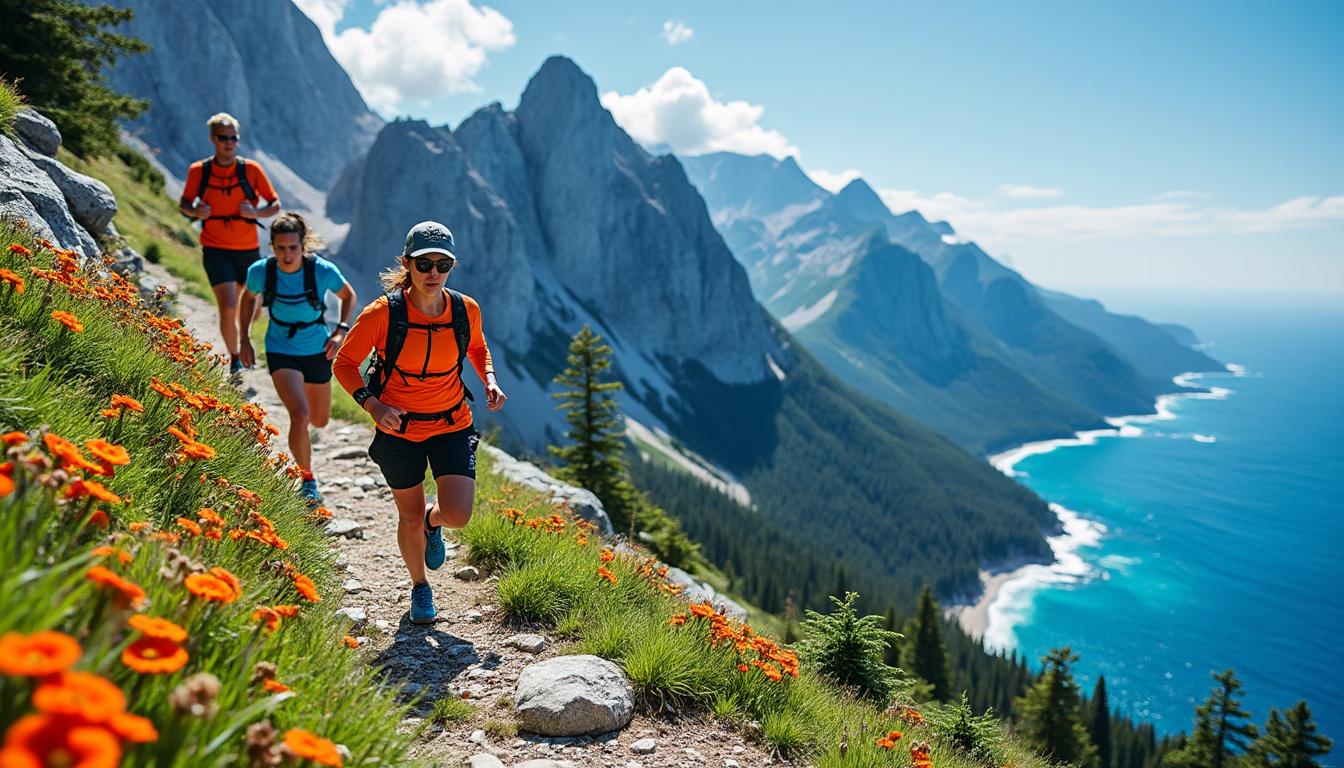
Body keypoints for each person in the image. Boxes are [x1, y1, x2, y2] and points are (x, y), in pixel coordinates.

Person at [334, 221, 506, 624]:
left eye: (441, 264)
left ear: (451, 266)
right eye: (423, 263)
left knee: (458, 514)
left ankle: (436, 522)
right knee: (407, 515)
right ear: (407, 264)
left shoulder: (466, 309)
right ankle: (420, 587)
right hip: (400, 430)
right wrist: (373, 406)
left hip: (452, 422)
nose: (433, 273)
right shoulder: (382, 314)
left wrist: (491, 381)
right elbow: (344, 363)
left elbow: (478, 348)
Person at [238, 213, 356, 507]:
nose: (287, 255)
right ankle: (307, 480)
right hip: (280, 348)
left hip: (317, 348)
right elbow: (247, 297)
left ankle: (304, 429)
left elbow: (348, 296)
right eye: (280, 248)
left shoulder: (322, 270)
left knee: (320, 419)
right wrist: (244, 339)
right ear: (272, 247)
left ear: (303, 246)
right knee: (300, 414)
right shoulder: (260, 271)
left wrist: (340, 331)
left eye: (292, 248)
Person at [177, 112, 281, 378]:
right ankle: (234, 357)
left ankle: (242, 335)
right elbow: (185, 204)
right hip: (215, 248)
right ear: (213, 139)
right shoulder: (199, 171)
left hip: (248, 250)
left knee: (254, 305)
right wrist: (195, 211)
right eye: (224, 138)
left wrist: (255, 213)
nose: (229, 143)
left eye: (234, 138)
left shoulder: (252, 170)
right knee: (227, 303)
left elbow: (274, 205)